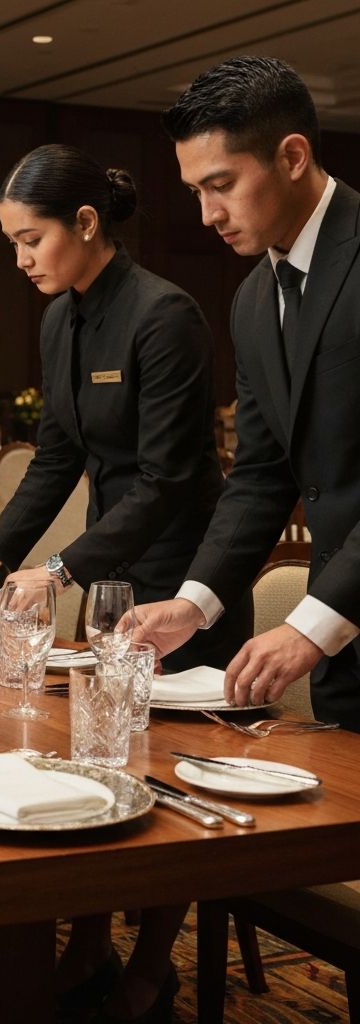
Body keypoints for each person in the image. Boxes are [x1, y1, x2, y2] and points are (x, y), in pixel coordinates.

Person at [0, 143, 250, 672]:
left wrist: (58, 571)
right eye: (13, 243)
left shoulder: (164, 316)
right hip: (110, 576)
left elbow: (164, 480)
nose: (21, 260)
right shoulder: (58, 320)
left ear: (85, 222)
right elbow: (57, 458)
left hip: (182, 580)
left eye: (32, 240)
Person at [133, 56, 360, 731]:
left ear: (292, 156)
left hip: (330, 625)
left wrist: (312, 625)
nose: (207, 215)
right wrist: (195, 603)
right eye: (195, 191)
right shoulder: (254, 299)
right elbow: (261, 475)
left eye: (222, 185)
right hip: (345, 662)